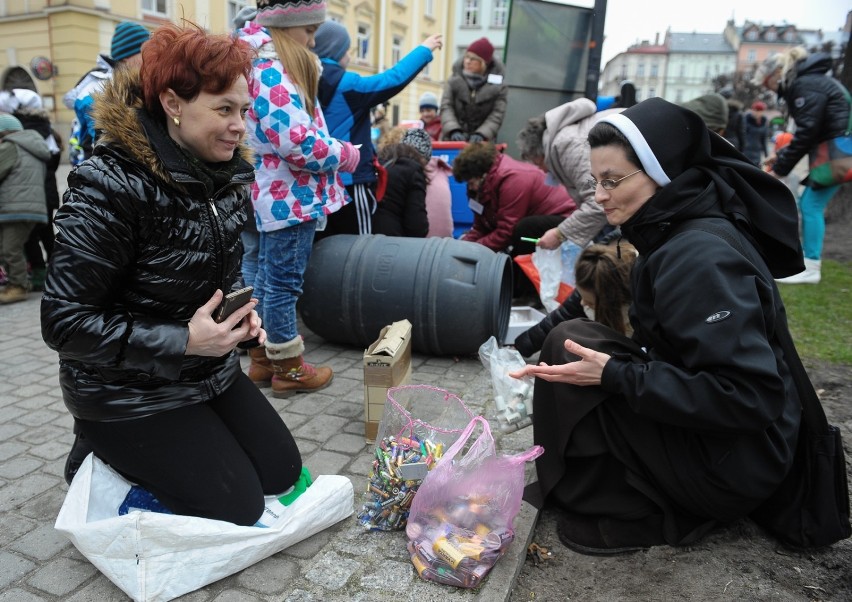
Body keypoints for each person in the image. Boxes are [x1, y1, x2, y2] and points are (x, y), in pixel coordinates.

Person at [509, 97, 810, 555]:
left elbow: (751, 398)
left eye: (612, 181)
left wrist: (617, 375)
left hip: (733, 468)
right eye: (595, 182)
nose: (600, 196)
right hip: (728, 446)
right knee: (572, 342)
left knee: (573, 355)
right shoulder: (675, 230)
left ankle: (639, 502)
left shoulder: (698, 258)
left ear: (662, 173)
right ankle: (604, 483)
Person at [40, 23, 305, 527]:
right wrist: (182, 340)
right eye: (224, 109)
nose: (239, 126)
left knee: (281, 472)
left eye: (243, 111)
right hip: (122, 389)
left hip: (206, 371)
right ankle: (95, 451)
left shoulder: (224, 178)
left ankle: (174, 446)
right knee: (237, 507)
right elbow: (63, 323)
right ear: (173, 103)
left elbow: (216, 283)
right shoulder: (108, 186)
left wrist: (240, 325)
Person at [236, 0, 360, 397]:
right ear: (285, 26)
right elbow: (297, 141)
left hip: (273, 192)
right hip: (288, 194)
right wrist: (345, 154)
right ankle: (287, 368)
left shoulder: (257, 61)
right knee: (283, 283)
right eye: (308, 31)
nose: (313, 40)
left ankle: (260, 357)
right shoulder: (270, 68)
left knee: (264, 277)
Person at [310, 20, 442, 237]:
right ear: (336, 51)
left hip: (316, 182)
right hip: (351, 181)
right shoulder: (347, 84)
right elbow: (393, 79)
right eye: (347, 50)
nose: (350, 56)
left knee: (320, 245)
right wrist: (424, 50)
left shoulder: (302, 80)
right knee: (357, 247)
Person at [754, 46, 850, 284]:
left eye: (769, 85)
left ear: (777, 74)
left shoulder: (805, 85)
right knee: (810, 205)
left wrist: (780, 169)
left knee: (810, 206)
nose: (771, 91)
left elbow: (808, 132)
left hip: (837, 155)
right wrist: (782, 156)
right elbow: (812, 131)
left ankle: (812, 267)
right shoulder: (814, 81)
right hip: (837, 151)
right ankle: (810, 264)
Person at [515, 98, 623, 252]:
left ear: (540, 153)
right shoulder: (565, 139)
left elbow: (598, 202)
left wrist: (560, 234)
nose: (543, 171)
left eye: (538, 163)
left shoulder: (568, 147)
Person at [513, 240, 636, 358]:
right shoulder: (594, 277)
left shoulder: (645, 303)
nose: (582, 303)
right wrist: (520, 347)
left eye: (590, 303)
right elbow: (557, 319)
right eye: (581, 297)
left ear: (614, 301)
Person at [452, 141, 576, 255]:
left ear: (483, 174)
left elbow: (506, 231)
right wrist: (461, 246)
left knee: (525, 229)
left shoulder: (512, 179)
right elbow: (480, 228)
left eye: (472, 182)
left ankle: (523, 277)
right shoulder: (479, 189)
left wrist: (473, 249)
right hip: (531, 218)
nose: (470, 188)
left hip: (565, 217)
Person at [0, 89, 62, 291]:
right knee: (42, 239)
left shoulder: (12, 145)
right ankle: (52, 277)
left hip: (19, 202)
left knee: (16, 246)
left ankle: (24, 282)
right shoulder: (39, 140)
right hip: (40, 199)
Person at [63, 21, 150, 160]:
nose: (150, 58)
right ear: (128, 57)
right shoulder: (97, 89)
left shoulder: (129, 83)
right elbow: (104, 143)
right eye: (145, 52)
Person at [0, 113, 50, 304]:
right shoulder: (32, 146)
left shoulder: (9, 147)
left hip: (15, 207)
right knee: (9, 248)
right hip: (31, 206)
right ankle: (18, 282)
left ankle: (18, 287)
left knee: (9, 249)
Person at [441, 37, 508, 143]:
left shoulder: (499, 87)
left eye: (473, 59)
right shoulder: (453, 80)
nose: (467, 62)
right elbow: (446, 106)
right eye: (466, 57)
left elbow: (497, 114)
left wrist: (482, 133)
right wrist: (453, 129)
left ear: (483, 63)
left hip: (482, 143)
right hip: (452, 140)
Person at [372, 128, 431, 237]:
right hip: (392, 242)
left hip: (364, 237)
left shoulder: (377, 164)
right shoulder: (413, 171)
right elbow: (417, 227)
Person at [742, 100, 769, 166]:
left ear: (762, 112)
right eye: (754, 110)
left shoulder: (764, 123)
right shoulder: (746, 120)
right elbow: (741, 135)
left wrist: (766, 155)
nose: (755, 112)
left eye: (758, 110)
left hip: (757, 153)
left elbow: (764, 140)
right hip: (745, 151)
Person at [718, 87, 745, 152]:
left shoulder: (716, 111)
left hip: (718, 141)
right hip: (733, 143)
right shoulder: (738, 113)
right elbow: (741, 132)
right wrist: (742, 149)